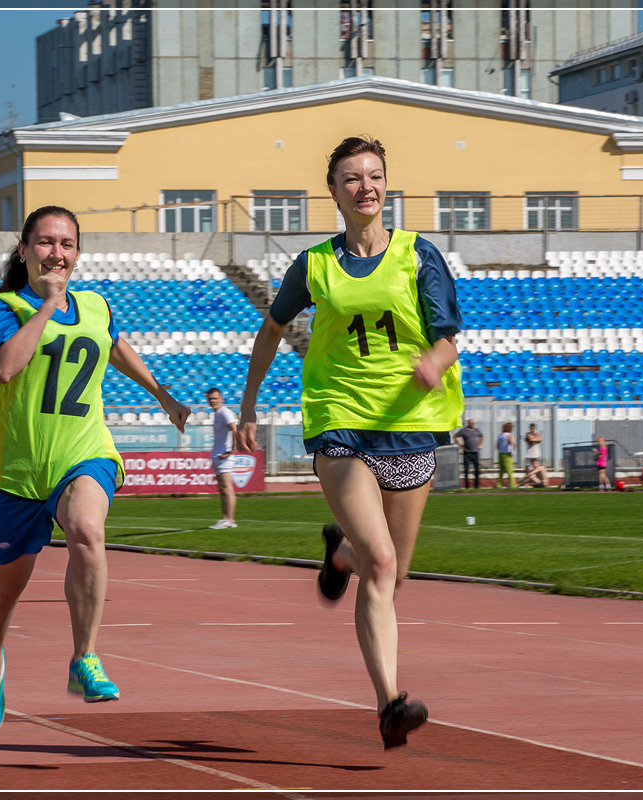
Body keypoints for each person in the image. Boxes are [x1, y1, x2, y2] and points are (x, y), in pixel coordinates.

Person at [235, 135, 463, 750]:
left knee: (392, 573)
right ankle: (391, 704)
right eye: (352, 178)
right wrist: (250, 405)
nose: (366, 187)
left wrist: (434, 364)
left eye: (375, 176)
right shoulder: (314, 265)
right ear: (333, 191)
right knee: (382, 563)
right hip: (340, 424)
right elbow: (270, 331)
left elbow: (447, 336)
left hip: (410, 425)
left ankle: (339, 557)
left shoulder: (420, 256)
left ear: (387, 185)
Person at [0, 205, 191, 732]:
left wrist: (161, 394)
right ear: (24, 251)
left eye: (66, 244)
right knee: (6, 588)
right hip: (16, 468)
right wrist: (46, 307)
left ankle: (84, 658)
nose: (56, 253)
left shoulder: (95, 306)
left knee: (88, 528)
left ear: (78, 253)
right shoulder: (6, 308)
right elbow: (5, 366)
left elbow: (113, 346)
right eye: (45, 243)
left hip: (82, 452)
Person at [206, 387, 239, 529]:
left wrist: (231, 450)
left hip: (225, 456)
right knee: (222, 489)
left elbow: (235, 429)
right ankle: (225, 518)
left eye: (215, 398)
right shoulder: (217, 414)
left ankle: (230, 520)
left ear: (221, 399)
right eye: (210, 399)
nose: (213, 401)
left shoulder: (225, 412)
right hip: (217, 455)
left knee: (227, 488)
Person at [454, 418, 483, 489]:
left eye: (473, 423)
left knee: (477, 469)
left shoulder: (477, 430)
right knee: (466, 469)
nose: (472, 424)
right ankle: (467, 486)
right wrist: (460, 445)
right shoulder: (464, 431)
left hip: (475, 452)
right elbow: (455, 436)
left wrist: (480, 444)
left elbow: (482, 436)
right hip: (467, 452)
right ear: (468, 423)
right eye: (471, 423)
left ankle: (476, 486)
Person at [496, 422, 516, 490]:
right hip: (507, 454)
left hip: (500, 453)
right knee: (510, 470)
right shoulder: (509, 435)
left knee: (501, 470)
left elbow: (497, 445)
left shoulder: (500, 435)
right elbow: (513, 443)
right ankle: (512, 485)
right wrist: (512, 451)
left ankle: (499, 484)